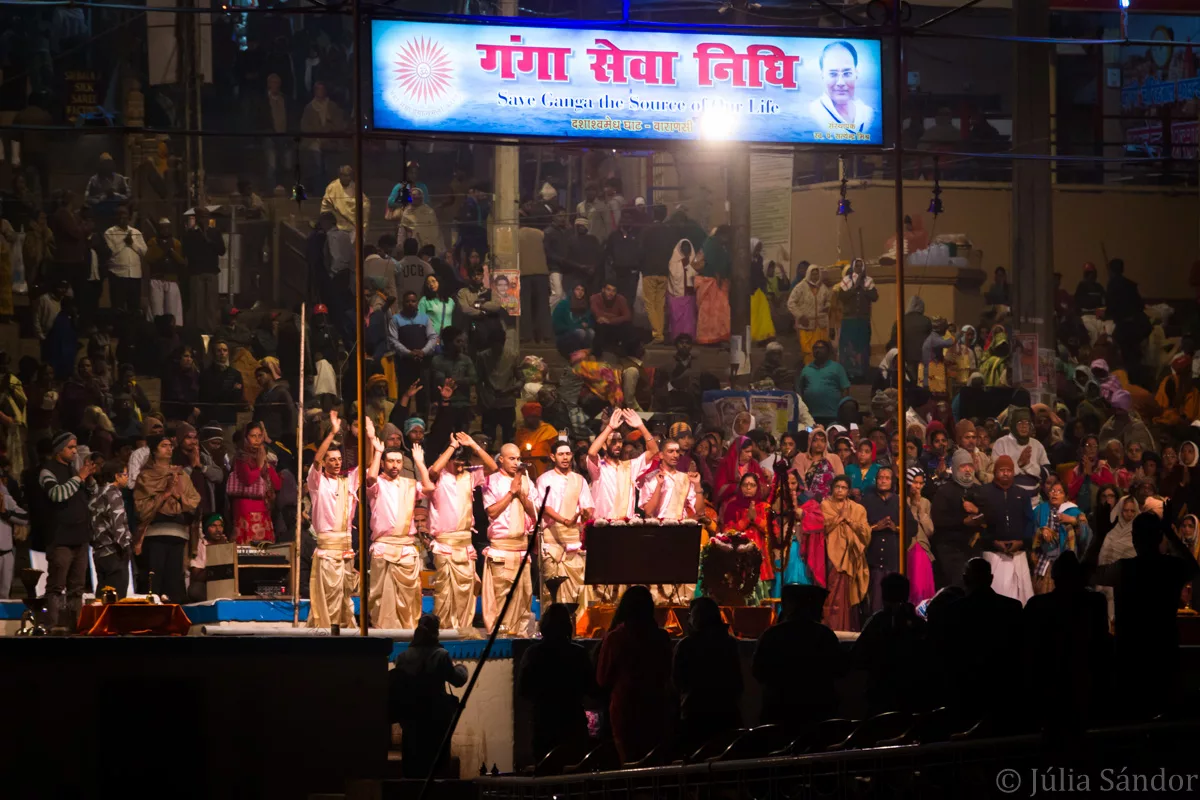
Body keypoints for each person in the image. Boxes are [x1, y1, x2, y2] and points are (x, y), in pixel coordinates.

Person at [1093, 513, 1200, 716]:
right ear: (1160, 538)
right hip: (1163, 652)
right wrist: (1171, 533)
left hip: (1131, 657)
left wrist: (1100, 536)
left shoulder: (1123, 569)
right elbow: (1194, 568)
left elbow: (1086, 573)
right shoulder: (1172, 567)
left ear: (1134, 538)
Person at [934, 558, 1023, 727]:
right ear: (991, 579)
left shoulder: (954, 611)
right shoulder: (1012, 608)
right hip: (1003, 692)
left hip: (965, 693)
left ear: (965, 579)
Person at [426, 432, 497, 629]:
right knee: (444, 590)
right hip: (444, 543)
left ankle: (463, 628)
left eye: (462, 462)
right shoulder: (439, 477)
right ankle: (443, 629)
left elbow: (493, 467)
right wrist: (451, 447)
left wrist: (473, 444)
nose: (459, 466)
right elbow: (433, 471)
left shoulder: (469, 476)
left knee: (467, 590)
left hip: (466, 543)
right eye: (456, 462)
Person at [596, 586, 673, 763]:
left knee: (629, 761)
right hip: (656, 705)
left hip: (626, 709)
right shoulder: (661, 637)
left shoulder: (616, 638)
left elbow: (602, 678)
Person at [364, 417, 427, 630]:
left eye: (398, 462)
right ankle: (383, 632)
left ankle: (409, 632)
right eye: (390, 462)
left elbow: (429, 488)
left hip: (406, 547)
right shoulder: (377, 483)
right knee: (381, 596)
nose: (394, 466)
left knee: (409, 596)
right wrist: (378, 450)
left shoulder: (410, 483)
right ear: (384, 463)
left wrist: (419, 462)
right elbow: (371, 477)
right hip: (384, 545)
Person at [753, 584, 843, 729]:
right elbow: (840, 669)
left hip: (779, 713)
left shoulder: (772, 635)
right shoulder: (824, 635)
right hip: (818, 714)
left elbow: (758, 672)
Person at [389, 614, 469, 778]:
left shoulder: (403, 657)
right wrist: (462, 669)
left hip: (411, 719)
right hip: (435, 719)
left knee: (412, 765)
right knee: (436, 767)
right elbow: (457, 680)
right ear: (435, 632)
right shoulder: (440, 655)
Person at [518, 603, 597, 762]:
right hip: (572, 720)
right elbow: (592, 689)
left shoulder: (533, 654)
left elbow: (523, 690)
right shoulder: (578, 653)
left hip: (544, 720)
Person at [306, 412, 362, 628]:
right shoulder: (317, 482)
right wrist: (332, 433)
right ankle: (325, 630)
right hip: (328, 548)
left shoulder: (347, 482)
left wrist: (365, 436)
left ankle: (344, 628)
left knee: (344, 594)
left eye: (339, 459)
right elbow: (316, 460)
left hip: (346, 546)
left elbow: (363, 464)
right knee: (328, 593)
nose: (337, 463)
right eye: (332, 459)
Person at [133, 432, 201, 603]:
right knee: (154, 579)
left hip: (177, 534)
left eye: (170, 446)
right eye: (164, 446)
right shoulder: (146, 476)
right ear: (154, 450)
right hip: (155, 534)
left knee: (174, 580)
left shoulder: (181, 475)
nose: (169, 449)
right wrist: (164, 495)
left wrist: (178, 496)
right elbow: (141, 508)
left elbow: (194, 500)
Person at [40, 432, 97, 631]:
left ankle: (76, 628)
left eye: (75, 447)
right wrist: (79, 477)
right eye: (70, 447)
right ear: (59, 450)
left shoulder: (74, 470)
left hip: (80, 538)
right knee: (56, 586)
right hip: (60, 538)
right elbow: (57, 494)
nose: (74, 451)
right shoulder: (48, 471)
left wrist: (88, 479)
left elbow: (90, 495)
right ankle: (52, 626)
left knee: (77, 588)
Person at [673, 596, 743, 750]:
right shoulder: (729, 643)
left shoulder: (687, 646)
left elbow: (677, 682)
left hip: (695, 714)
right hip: (727, 712)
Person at [852, 572, 927, 716]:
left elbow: (858, 656)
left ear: (884, 595)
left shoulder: (877, 622)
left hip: (881, 695)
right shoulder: (919, 624)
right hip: (912, 696)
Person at [482, 444, 537, 636]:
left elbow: (535, 512)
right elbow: (492, 511)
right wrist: (511, 492)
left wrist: (521, 493)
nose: (516, 462)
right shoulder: (491, 480)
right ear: (501, 460)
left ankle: (520, 636)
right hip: (501, 549)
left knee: (523, 597)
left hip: (522, 548)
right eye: (512, 458)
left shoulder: (527, 480)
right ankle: (501, 637)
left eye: (518, 458)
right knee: (502, 596)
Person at [535, 441, 594, 608]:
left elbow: (587, 505)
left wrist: (585, 513)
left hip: (573, 539)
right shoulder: (544, 479)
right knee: (551, 590)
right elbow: (544, 507)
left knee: (578, 588)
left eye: (568, 454)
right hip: (552, 540)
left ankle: (576, 628)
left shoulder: (579, 479)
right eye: (561, 454)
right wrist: (565, 521)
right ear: (553, 457)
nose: (565, 457)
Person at [977, 455, 1035, 604]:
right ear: (995, 472)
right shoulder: (984, 492)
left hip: (1018, 553)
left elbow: (1029, 521)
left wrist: (1022, 542)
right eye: (1002, 470)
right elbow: (979, 523)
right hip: (993, 554)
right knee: (996, 600)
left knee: (1021, 599)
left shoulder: (1021, 494)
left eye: (1009, 470)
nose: (1005, 473)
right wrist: (993, 541)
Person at [587, 409, 659, 521]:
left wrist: (641, 426)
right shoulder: (599, 467)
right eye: (613, 441)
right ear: (605, 446)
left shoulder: (630, 466)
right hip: (602, 525)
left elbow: (654, 451)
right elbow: (592, 452)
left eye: (620, 441)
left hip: (625, 525)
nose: (618, 445)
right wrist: (610, 427)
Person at [821, 475, 871, 631]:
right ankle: (830, 629)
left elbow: (866, 534)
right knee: (831, 596)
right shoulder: (825, 505)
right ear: (832, 489)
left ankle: (847, 630)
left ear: (848, 491)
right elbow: (821, 527)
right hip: (830, 557)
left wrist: (848, 520)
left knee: (848, 597)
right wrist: (838, 518)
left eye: (843, 488)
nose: (840, 490)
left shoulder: (858, 509)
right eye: (837, 487)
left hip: (851, 557)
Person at [930, 451, 984, 589]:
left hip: (975, 549)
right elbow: (938, 519)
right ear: (954, 468)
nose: (967, 469)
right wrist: (962, 521)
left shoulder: (980, 490)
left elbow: (992, 515)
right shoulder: (944, 491)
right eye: (963, 466)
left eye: (970, 466)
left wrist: (977, 511)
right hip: (950, 550)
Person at [719, 473, 774, 603]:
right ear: (740, 487)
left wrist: (756, 519)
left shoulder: (764, 507)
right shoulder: (732, 507)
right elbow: (726, 532)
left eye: (752, 485)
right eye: (745, 484)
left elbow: (773, 532)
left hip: (760, 560)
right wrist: (746, 520)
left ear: (757, 488)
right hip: (738, 560)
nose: (748, 488)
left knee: (761, 601)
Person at [229, 421, 281, 544]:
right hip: (245, 508)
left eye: (259, 436)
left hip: (263, 509)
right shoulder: (241, 458)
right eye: (253, 436)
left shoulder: (263, 457)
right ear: (246, 438)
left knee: (262, 549)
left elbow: (277, 484)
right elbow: (248, 480)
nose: (257, 439)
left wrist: (266, 465)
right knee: (248, 548)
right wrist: (260, 464)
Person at [807, 40, 875, 135]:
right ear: (822, 76)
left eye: (847, 73)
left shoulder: (868, 114)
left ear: (856, 74)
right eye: (833, 74)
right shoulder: (812, 113)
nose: (840, 82)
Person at [1031, 478, 1086, 595]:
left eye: (1059, 491)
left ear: (1065, 497)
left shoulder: (1073, 511)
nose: (1055, 493)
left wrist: (1072, 521)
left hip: (1064, 559)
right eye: (1052, 491)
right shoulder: (1040, 510)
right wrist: (1041, 532)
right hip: (1043, 558)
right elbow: (1031, 530)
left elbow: (1086, 534)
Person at [862, 466, 900, 612]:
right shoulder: (867, 501)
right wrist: (875, 527)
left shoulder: (899, 501)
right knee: (875, 600)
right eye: (880, 478)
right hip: (873, 558)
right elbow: (859, 527)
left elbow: (912, 527)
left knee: (894, 598)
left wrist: (895, 528)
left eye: (887, 478)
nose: (883, 481)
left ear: (892, 481)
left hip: (893, 558)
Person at [181, 207, 227, 331]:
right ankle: (199, 332)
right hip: (196, 272)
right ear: (196, 218)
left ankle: (211, 330)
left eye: (206, 216)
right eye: (202, 216)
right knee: (198, 305)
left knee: (211, 305)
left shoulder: (215, 232)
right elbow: (185, 252)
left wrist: (210, 241)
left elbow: (222, 251)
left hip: (211, 272)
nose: (204, 219)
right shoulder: (191, 234)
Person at [834, 259, 878, 382]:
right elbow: (842, 297)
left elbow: (874, 297)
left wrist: (863, 288)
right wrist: (854, 288)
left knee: (863, 346)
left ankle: (862, 374)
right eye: (856, 265)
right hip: (849, 320)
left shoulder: (868, 281)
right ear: (853, 267)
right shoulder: (846, 281)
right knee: (848, 347)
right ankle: (847, 374)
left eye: (860, 265)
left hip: (863, 320)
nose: (858, 267)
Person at [102, 205, 146, 314]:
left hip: (135, 276)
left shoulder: (136, 232)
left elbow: (144, 251)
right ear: (115, 217)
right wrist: (123, 242)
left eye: (124, 214)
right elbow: (111, 252)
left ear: (129, 216)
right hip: (118, 275)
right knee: (118, 308)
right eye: (119, 214)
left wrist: (132, 244)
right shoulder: (110, 232)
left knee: (134, 308)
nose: (122, 216)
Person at [991, 407, 1049, 489]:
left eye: (1027, 423)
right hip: (1008, 494)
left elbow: (1046, 473)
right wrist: (1019, 464)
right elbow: (996, 471)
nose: (1024, 426)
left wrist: (1028, 465)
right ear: (1013, 425)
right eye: (1020, 423)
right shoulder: (1001, 443)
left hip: (1035, 497)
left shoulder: (1037, 444)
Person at [143, 218, 186, 328]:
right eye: (163, 227)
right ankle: (155, 330)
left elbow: (181, 261)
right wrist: (162, 251)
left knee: (172, 309)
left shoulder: (176, 243)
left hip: (171, 279)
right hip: (156, 278)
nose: (165, 230)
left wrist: (170, 251)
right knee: (156, 309)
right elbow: (149, 258)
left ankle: (173, 330)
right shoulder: (153, 242)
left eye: (167, 227)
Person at [798, 340, 850, 427]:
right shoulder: (806, 369)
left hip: (833, 415)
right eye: (815, 348)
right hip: (811, 416)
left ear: (828, 351)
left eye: (821, 348)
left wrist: (842, 409)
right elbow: (801, 389)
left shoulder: (837, 368)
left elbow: (845, 389)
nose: (818, 350)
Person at [787, 264, 832, 365]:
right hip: (806, 325)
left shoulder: (823, 287)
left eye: (817, 274)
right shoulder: (800, 287)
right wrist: (800, 316)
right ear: (808, 274)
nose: (815, 276)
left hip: (821, 326)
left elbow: (828, 300)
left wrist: (827, 306)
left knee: (822, 350)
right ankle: (810, 372)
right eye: (813, 274)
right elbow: (791, 303)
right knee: (808, 351)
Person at [694, 226, 732, 345]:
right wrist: (720, 278)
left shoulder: (712, 243)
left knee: (712, 312)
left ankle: (714, 336)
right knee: (716, 311)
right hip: (714, 283)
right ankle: (714, 336)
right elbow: (715, 262)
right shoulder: (713, 244)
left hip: (712, 282)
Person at [905, 467, 937, 606]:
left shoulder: (926, 503)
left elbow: (930, 530)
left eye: (920, 483)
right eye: (914, 482)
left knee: (923, 587)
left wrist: (920, 509)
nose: (917, 486)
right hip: (907, 547)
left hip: (923, 547)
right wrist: (912, 505)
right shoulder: (901, 500)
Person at [792, 426, 844, 502]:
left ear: (826, 443)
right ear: (810, 441)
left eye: (822, 441)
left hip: (831, 501)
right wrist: (809, 501)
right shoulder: (801, 457)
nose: (819, 444)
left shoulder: (834, 458)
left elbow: (841, 480)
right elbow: (799, 482)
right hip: (806, 501)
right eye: (815, 440)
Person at [0, 460, 27, 599]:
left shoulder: (6, 499)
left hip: (6, 553)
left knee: (5, 595)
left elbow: (25, 517)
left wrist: (6, 514)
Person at [320, 165, 370, 235]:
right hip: (336, 225)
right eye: (345, 176)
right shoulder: (332, 187)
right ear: (340, 176)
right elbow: (326, 207)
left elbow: (365, 203)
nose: (348, 178)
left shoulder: (354, 187)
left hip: (353, 226)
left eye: (349, 176)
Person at [514, 402, 558, 479]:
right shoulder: (520, 433)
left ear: (539, 417)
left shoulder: (548, 430)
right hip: (525, 473)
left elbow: (555, 451)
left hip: (545, 472)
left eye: (534, 417)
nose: (532, 420)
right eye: (529, 417)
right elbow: (516, 451)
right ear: (525, 418)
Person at [590, 282, 634, 359]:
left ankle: (624, 353)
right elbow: (597, 313)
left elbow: (628, 316)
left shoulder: (621, 299)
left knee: (627, 325)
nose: (611, 293)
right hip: (601, 326)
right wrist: (615, 317)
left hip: (615, 326)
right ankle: (597, 355)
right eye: (608, 290)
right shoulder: (595, 298)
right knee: (600, 325)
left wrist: (610, 320)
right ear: (603, 290)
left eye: (614, 291)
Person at [666, 238, 698, 343]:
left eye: (687, 247)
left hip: (690, 294)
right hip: (677, 296)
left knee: (689, 318)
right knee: (677, 318)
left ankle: (690, 336)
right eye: (683, 247)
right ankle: (677, 337)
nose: (685, 249)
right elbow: (673, 275)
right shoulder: (673, 262)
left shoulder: (694, 261)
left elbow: (696, 275)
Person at [418, 274, 454, 339]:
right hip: (432, 338)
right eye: (428, 283)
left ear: (439, 282)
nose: (431, 284)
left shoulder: (450, 301)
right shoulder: (425, 300)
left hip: (449, 338)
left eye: (433, 281)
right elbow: (421, 322)